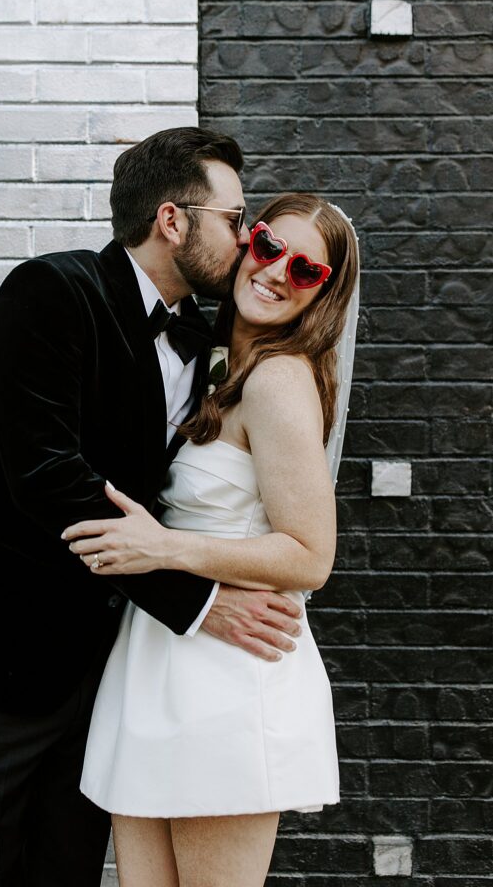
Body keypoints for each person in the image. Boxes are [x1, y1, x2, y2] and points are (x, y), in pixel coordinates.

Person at [0, 128, 304, 887]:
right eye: (234, 219)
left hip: (105, 664)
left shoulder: (211, 336)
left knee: (67, 871)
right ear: (172, 221)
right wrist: (196, 599)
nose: (246, 242)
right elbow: (46, 477)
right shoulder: (50, 290)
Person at [63, 193, 360, 887]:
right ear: (245, 242)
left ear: (323, 295)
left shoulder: (280, 381)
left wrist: (165, 548)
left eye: (307, 271)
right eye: (268, 246)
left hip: (226, 676)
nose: (278, 272)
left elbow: (310, 555)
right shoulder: (224, 369)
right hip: (156, 661)